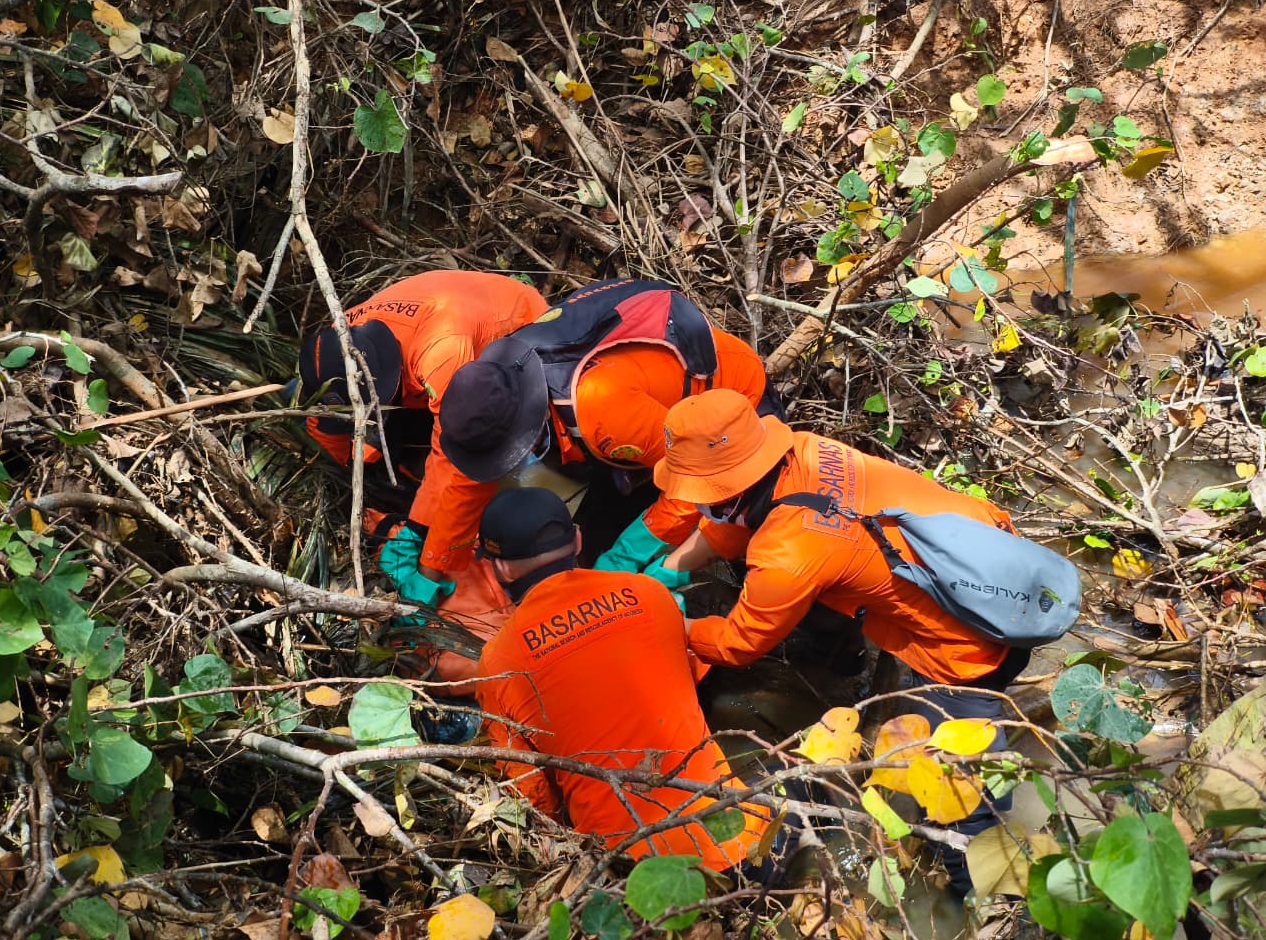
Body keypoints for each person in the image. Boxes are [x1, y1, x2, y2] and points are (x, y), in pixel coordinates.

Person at [651, 389, 1032, 895]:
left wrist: (667, 624)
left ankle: (989, 903)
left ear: (724, 486)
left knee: (963, 804)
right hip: (1004, 565)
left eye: (700, 489)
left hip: (966, 645)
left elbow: (740, 643)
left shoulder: (789, 550)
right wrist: (666, 573)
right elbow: (738, 524)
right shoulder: (805, 452)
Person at [472, 486, 769, 873]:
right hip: (739, 836)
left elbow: (532, 796)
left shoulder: (497, 661)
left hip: (630, 873)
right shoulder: (649, 593)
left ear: (502, 569)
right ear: (577, 539)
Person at [437, 278, 781, 586]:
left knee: (747, 519)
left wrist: (627, 555)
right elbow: (467, 482)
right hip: (643, 412)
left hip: (734, 406)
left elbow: (695, 483)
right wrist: (437, 561)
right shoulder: (507, 367)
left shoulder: (601, 412)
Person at [297, 270, 548, 608]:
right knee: (378, 452)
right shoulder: (338, 343)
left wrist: (430, 558)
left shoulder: (441, 354)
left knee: (498, 448)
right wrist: (338, 479)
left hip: (516, 330)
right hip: (439, 334)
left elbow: (466, 464)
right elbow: (324, 423)